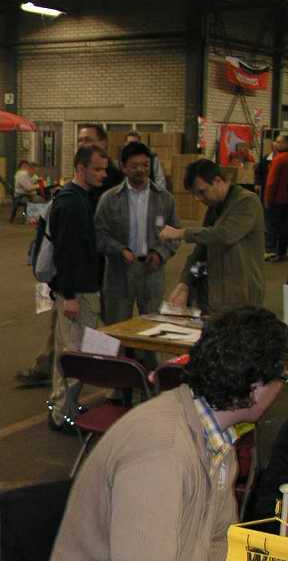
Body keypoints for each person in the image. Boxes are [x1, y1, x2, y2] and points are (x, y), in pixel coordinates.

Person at [45, 306, 288, 561]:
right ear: (256, 387)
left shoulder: (215, 434)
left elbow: (218, 540)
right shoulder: (161, 453)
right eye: (282, 379)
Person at [46, 144, 108, 432]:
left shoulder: (80, 198)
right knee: (75, 354)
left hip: (79, 289)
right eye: (97, 169)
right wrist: (70, 296)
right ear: (81, 168)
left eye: (104, 169)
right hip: (77, 292)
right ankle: (63, 415)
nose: (103, 174)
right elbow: (66, 253)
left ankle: (62, 407)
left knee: (69, 351)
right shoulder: (72, 204)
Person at [160, 158, 265, 315]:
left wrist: (181, 233)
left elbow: (224, 235)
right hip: (213, 298)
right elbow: (201, 255)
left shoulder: (247, 202)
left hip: (242, 299)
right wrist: (185, 283)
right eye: (195, 194)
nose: (198, 199)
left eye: (201, 192)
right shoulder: (214, 209)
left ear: (217, 181)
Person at [95, 140, 179, 327]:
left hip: (152, 271)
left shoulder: (165, 199)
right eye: (134, 166)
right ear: (123, 167)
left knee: (152, 329)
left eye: (145, 165)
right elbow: (99, 234)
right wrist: (119, 249)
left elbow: (175, 234)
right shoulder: (109, 199)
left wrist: (160, 253)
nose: (141, 170)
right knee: (115, 328)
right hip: (118, 271)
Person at [263, 134, 288, 262]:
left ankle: (272, 252)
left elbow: (271, 182)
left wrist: (267, 199)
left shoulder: (279, 159)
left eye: (279, 142)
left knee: (273, 226)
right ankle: (282, 252)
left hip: (277, 200)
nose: (275, 144)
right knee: (285, 226)